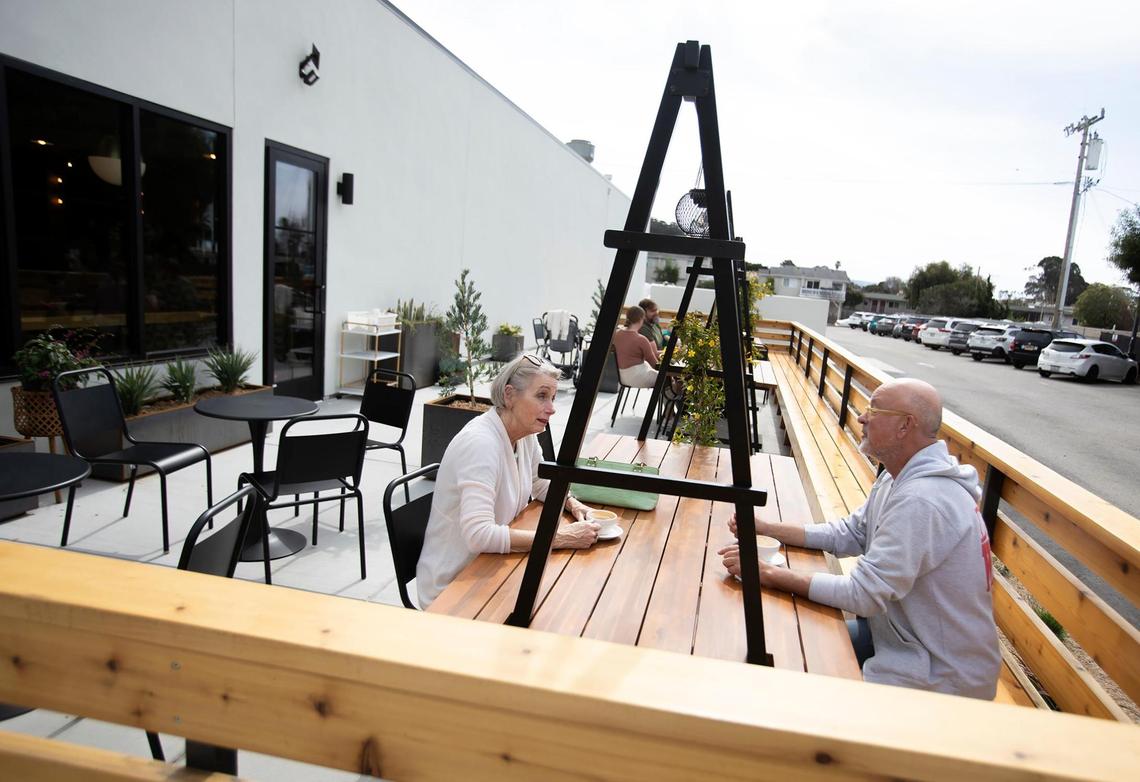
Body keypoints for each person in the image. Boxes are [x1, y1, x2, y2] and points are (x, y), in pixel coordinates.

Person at [718, 378, 1000, 699]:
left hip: (937, 680)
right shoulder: (898, 478)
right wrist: (766, 528)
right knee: (785, 640)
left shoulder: (923, 499)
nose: (863, 417)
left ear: (905, 426)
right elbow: (850, 533)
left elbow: (863, 594)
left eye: (874, 409)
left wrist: (766, 573)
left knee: (790, 678)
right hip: (898, 641)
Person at [416, 354, 601, 608]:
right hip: (454, 586)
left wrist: (574, 505)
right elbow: (479, 535)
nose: (552, 408)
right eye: (542, 396)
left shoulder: (523, 434)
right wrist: (559, 537)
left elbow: (539, 483)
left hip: (489, 566)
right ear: (509, 395)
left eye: (553, 398)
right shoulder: (481, 444)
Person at [612, 305, 663, 388]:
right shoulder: (641, 339)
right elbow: (654, 364)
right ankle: (672, 400)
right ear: (641, 319)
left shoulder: (616, 334)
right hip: (636, 377)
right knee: (665, 378)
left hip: (619, 376)